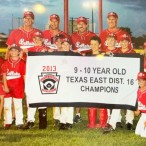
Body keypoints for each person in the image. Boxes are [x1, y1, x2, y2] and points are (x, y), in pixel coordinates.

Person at [43, 14, 70, 126]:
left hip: (63, 67)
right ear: (49, 22)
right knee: (54, 91)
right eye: (52, 21)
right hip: (50, 67)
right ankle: (56, 117)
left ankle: (64, 118)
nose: (54, 23)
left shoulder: (64, 34)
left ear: (59, 22)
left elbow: (69, 49)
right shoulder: (43, 34)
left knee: (63, 92)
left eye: (56, 21)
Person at [71, 16, 97, 123]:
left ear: (86, 25)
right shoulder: (72, 36)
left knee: (92, 89)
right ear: (76, 25)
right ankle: (77, 114)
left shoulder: (92, 35)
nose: (81, 25)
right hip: (77, 66)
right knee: (77, 89)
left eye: (83, 23)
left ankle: (93, 114)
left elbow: (96, 49)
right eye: (79, 23)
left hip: (91, 66)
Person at [23, 31, 51, 130]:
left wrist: (48, 52)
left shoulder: (47, 49)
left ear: (43, 39)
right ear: (33, 39)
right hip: (31, 76)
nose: (37, 40)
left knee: (42, 97)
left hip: (43, 75)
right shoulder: (28, 50)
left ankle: (43, 121)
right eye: (35, 38)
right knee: (30, 97)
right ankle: (30, 121)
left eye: (39, 38)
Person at [1, 45, 26, 130]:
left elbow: (24, 75)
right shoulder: (6, 62)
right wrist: (5, 86)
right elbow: (4, 75)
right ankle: (7, 122)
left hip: (18, 87)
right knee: (7, 105)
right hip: (8, 86)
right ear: (9, 52)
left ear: (19, 52)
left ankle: (19, 122)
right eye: (12, 50)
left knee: (18, 105)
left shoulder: (22, 62)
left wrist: (25, 87)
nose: (13, 52)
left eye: (15, 50)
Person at [135, 72, 146, 138]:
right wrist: (138, 110)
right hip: (143, 115)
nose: (140, 82)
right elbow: (140, 104)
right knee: (137, 133)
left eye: (142, 80)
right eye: (139, 80)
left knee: (144, 135)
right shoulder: (138, 90)